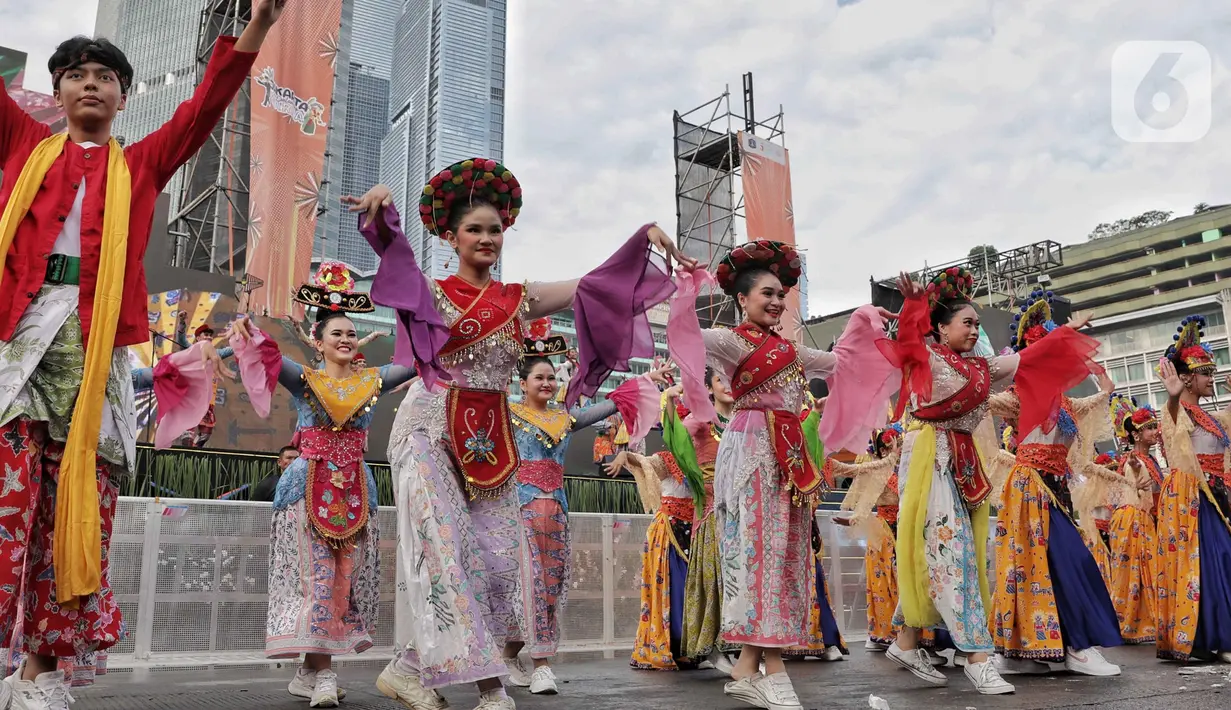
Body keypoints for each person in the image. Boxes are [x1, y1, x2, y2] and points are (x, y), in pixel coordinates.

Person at [0, 4, 282, 709]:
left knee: (80, 509)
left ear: (124, 96)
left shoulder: (144, 163)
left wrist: (257, 28)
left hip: (96, 353)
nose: (89, 85)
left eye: (104, 77)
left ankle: (42, 671)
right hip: (20, 343)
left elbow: (206, 104)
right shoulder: (22, 144)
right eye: (74, 75)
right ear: (57, 92)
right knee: (9, 502)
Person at [348, 161, 689, 710]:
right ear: (451, 237)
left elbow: (593, 285)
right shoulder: (432, 292)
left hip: (489, 438)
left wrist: (641, 237)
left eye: (494, 230)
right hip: (429, 430)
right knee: (446, 550)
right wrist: (384, 211)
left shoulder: (518, 298)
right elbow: (396, 262)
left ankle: (408, 667)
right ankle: (489, 684)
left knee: (502, 560)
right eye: (474, 230)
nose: (486, 238)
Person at [669, 240, 899, 710]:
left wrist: (868, 321)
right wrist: (687, 283)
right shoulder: (730, 342)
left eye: (780, 295)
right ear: (742, 300)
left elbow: (848, 364)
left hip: (790, 457)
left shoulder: (791, 351)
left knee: (783, 557)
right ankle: (771, 669)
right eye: (766, 294)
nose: (775, 302)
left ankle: (745, 669)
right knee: (758, 555)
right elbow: (684, 331)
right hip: (752, 447)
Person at [879, 269, 1102, 696]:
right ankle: (977, 659)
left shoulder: (984, 369)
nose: (975, 328)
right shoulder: (927, 359)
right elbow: (906, 342)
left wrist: (1065, 332)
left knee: (950, 555)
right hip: (930, 458)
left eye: (978, 323)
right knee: (953, 553)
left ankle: (906, 642)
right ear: (941, 329)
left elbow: (1030, 359)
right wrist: (912, 306)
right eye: (967, 322)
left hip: (964, 463)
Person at [227, 262, 417, 708]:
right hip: (307, 487)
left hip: (355, 488)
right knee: (318, 579)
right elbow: (265, 352)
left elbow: (411, 364)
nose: (347, 339)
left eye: (352, 333)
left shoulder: (372, 382)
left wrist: (413, 312)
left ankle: (307, 672)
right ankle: (326, 672)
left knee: (341, 582)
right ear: (319, 340)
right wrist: (246, 319)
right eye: (337, 333)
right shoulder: (304, 378)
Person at [502, 324, 668, 694]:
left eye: (550, 378)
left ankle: (511, 653)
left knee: (549, 585)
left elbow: (609, 405)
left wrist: (649, 379)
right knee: (527, 584)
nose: (546, 383)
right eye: (538, 378)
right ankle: (541, 664)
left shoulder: (566, 418)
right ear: (523, 383)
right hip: (520, 511)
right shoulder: (507, 415)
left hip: (557, 513)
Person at [988, 288, 1122, 677]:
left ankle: (1056, 648)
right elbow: (979, 399)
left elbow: (1090, 406)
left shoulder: (1063, 403)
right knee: (1050, 564)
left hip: (1055, 490)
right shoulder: (1016, 397)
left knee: (1057, 566)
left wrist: (1107, 390)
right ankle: (1070, 647)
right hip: (1029, 488)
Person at [1155, 315, 1231, 663]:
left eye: (1211, 372)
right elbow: (1172, 430)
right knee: (1209, 563)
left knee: (1221, 561)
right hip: (1191, 496)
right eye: (1206, 373)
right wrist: (1172, 400)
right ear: (1186, 377)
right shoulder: (1176, 411)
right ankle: (1211, 638)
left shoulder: (1212, 417)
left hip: (1217, 494)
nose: (1211, 378)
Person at [1095, 395, 1160, 645]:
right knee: (1134, 573)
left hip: (1144, 518)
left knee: (1148, 571)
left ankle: (1146, 621)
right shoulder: (1131, 460)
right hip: (1132, 519)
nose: (1155, 432)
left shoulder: (1151, 459)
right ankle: (1130, 623)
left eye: (1155, 426)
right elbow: (1131, 486)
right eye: (1149, 428)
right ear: (1135, 435)